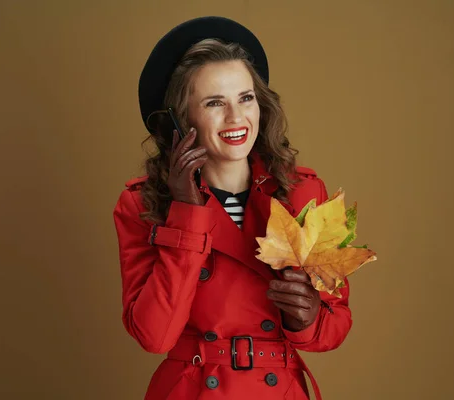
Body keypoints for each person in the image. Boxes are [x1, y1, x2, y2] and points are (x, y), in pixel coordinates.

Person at [113, 16, 352, 400]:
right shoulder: (141, 205)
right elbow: (155, 335)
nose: (236, 118)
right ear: (180, 118)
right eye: (213, 103)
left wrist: (305, 319)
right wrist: (188, 214)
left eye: (245, 98)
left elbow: (336, 324)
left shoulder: (305, 193)